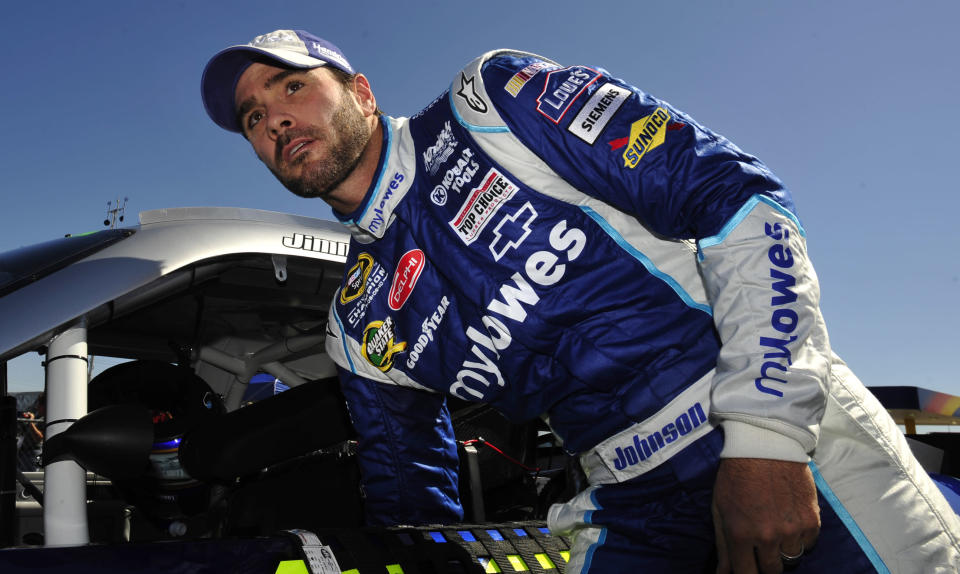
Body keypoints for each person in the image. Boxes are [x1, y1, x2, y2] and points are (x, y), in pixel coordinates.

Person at [201, 29, 960, 573]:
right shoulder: (360, 322)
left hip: (778, 436)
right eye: (253, 121)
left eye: (291, 86)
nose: (275, 122)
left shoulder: (490, 102)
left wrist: (766, 439)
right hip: (627, 497)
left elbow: (740, 202)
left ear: (359, 91)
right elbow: (412, 511)